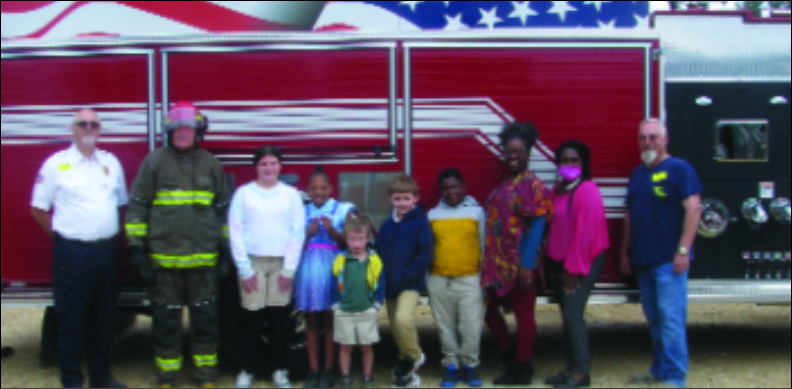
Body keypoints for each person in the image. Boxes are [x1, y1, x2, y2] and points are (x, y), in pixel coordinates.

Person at [125, 102, 233, 389]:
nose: (183, 133)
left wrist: (225, 252)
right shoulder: (154, 163)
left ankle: (206, 376)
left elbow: (224, 212)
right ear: (169, 131)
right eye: (177, 129)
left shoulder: (211, 165)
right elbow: (137, 208)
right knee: (165, 324)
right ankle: (166, 377)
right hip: (164, 264)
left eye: (188, 128)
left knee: (206, 323)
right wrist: (136, 251)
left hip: (204, 265)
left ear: (198, 131)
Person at [30, 109, 128, 389]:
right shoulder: (56, 164)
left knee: (103, 318)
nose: (88, 128)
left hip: (106, 253)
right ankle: (72, 380)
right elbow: (38, 208)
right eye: (82, 124)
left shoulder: (111, 163)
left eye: (93, 124)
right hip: (72, 255)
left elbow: (121, 204)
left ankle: (101, 377)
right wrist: (61, 238)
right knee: (71, 320)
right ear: (72, 129)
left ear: (100, 129)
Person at [621, 119, 702, 389]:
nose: (648, 142)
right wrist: (625, 252)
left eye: (653, 137)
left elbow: (694, 210)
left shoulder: (679, 169)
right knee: (655, 319)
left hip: (669, 262)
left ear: (665, 139)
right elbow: (630, 216)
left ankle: (675, 377)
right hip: (643, 260)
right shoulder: (637, 175)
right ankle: (658, 370)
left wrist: (683, 251)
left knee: (671, 320)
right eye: (642, 138)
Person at [482, 122, 554, 386]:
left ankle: (521, 369)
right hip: (498, 265)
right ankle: (511, 358)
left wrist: (527, 265)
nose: (513, 156)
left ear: (528, 152)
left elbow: (538, 226)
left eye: (519, 151)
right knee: (489, 312)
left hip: (520, 264)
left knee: (524, 315)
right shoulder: (507, 183)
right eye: (509, 151)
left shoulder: (532, 185)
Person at [228, 145, 306, 389]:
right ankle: (247, 370)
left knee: (278, 321)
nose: (269, 168)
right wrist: (244, 269)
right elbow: (235, 231)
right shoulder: (243, 194)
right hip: (252, 263)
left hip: (281, 264)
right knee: (251, 320)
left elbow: (297, 233)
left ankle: (280, 370)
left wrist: (289, 270)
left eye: (273, 163)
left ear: (280, 166)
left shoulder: (291, 195)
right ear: (256, 167)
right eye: (263, 164)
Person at [544, 141, 611, 389]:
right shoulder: (557, 190)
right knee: (567, 315)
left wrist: (574, 269)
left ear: (583, 164)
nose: (569, 165)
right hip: (561, 262)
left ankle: (582, 373)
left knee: (573, 314)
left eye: (574, 160)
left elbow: (587, 235)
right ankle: (569, 368)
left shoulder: (587, 190)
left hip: (582, 261)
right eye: (564, 160)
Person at [427, 169, 486, 388]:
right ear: (441, 192)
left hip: (470, 279)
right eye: (445, 189)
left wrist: (484, 279)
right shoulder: (432, 215)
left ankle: (469, 365)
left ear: (463, 187)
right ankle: (451, 366)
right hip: (439, 280)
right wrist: (428, 279)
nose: (450, 192)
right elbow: (428, 248)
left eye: (454, 187)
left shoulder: (477, 212)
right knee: (445, 327)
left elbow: (483, 244)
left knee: (471, 327)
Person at [297, 166, 356, 389]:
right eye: (313, 188)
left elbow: (351, 243)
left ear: (331, 189)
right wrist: (307, 233)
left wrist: (332, 231)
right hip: (309, 272)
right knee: (312, 320)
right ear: (307, 190)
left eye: (323, 188)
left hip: (333, 271)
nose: (318, 192)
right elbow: (294, 244)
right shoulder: (302, 211)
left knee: (331, 321)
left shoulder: (342, 210)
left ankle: (329, 370)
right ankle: (314, 371)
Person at [376, 175, 434, 388]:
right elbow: (380, 253)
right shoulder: (386, 225)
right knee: (395, 327)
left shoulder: (420, 223)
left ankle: (415, 355)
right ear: (390, 199)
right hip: (390, 284)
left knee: (403, 319)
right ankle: (407, 372)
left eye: (406, 198)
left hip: (410, 284)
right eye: (397, 198)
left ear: (415, 198)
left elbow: (425, 254)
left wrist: (408, 275)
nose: (402, 203)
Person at [330, 215, 386, 389]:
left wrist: (377, 303)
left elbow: (381, 282)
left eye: (360, 239)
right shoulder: (341, 260)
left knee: (366, 347)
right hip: (344, 311)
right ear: (346, 240)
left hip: (366, 310)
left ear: (367, 239)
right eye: (352, 239)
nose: (356, 243)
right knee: (345, 346)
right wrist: (335, 304)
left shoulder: (374, 260)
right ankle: (345, 377)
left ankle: (367, 376)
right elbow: (333, 282)